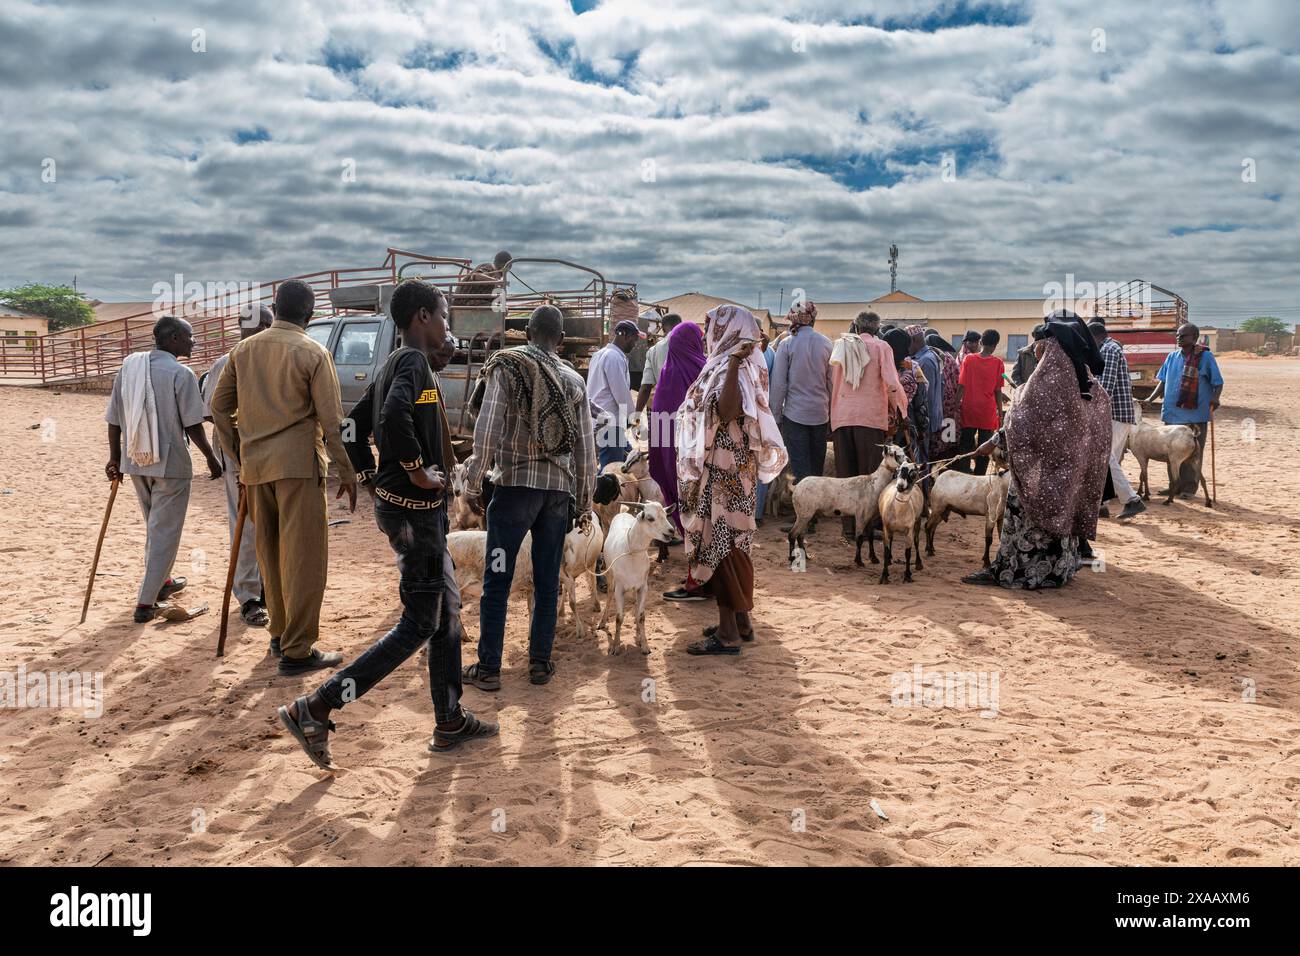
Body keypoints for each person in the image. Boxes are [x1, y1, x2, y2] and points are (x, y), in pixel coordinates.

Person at [276, 280, 496, 769]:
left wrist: (373, 477)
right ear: (422, 316)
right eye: (443, 315)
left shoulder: (394, 362)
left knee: (446, 612)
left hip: (407, 511)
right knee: (419, 622)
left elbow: (353, 424)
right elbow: (393, 414)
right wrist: (416, 470)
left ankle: (449, 718)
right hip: (415, 516)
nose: (447, 325)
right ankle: (317, 706)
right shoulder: (413, 363)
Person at [211, 279, 358, 675]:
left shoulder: (242, 350)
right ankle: (297, 649)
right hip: (298, 467)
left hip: (257, 469)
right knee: (305, 558)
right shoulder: (313, 351)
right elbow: (332, 420)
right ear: (309, 314)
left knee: (271, 553)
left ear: (275, 308)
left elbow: (218, 407)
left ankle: (279, 634)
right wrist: (348, 470)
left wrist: (239, 455)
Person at [462, 305, 596, 690]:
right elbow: (586, 450)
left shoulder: (507, 367)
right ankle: (539, 664)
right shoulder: (573, 380)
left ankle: (488, 669)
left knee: (498, 578)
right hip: (556, 497)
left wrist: (473, 483)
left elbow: (486, 430)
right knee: (546, 579)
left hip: (513, 494)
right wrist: (584, 503)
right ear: (563, 340)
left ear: (527, 333)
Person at [963, 312, 1111, 589]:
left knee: (1025, 519)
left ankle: (1015, 572)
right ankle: (1056, 571)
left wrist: (995, 440)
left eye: (1040, 342)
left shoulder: (1050, 380)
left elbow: (1023, 419)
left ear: (1053, 344)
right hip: (1069, 472)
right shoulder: (1085, 380)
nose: (1035, 347)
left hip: (1041, 472)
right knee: (1060, 515)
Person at [679, 305, 787, 655]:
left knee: (722, 546)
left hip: (725, 474)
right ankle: (742, 623)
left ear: (727, 330)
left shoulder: (734, 367)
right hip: (732, 472)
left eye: (712, 326)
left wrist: (736, 363)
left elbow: (728, 411)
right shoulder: (730, 365)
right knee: (735, 545)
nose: (708, 332)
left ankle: (728, 635)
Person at [104, 315, 223, 622]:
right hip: (169, 464)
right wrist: (210, 457)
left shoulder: (129, 368)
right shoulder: (180, 373)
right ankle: (146, 603)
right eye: (189, 337)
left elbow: (114, 419)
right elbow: (193, 424)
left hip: (135, 460)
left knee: (156, 529)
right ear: (172, 339)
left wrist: (114, 458)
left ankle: (163, 582)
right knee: (164, 532)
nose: (193, 342)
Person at [201, 304, 273, 628]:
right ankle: (249, 597)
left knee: (273, 521)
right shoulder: (227, 362)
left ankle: (270, 587)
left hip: (274, 451)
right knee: (245, 523)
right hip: (239, 453)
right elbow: (213, 412)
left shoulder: (273, 358)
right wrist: (235, 456)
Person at [828, 311, 905, 538]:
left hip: (842, 416)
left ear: (856, 325)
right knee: (870, 476)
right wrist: (902, 409)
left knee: (846, 475)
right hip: (869, 419)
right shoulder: (882, 347)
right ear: (877, 327)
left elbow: (834, 381)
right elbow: (892, 383)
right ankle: (867, 528)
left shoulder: (840, 345)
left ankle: (848, 528)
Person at [1147, 323, 1222, 501]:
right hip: (1172, 414)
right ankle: (1175, 485)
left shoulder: (1205, 357)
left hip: (1195, 415)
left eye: (1183, 336)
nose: (1179, 338)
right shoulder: (1172, 357)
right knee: (1170, 452)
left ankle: (1189, 487)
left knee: (1192, 453)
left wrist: (1215, 397)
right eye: (1178, 335)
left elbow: (1218, 382)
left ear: (1194, 338)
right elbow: (1163, 381)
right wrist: (1150, 399)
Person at [770, 299, 832, 499]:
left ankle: (806, 516)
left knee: (800, 467)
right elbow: (831, 383)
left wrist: (775, 417)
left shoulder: (787, 344)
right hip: (820, 414)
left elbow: (779, 385)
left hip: (794, 415)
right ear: (813, 319)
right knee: (816, 466)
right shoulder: (826, 343)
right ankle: (814, 513)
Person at [1090, 321, 1146, 520]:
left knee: (1105, 459)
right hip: (1115, 414)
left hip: (1115, 414)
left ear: (1094, 336)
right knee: (1105, 461)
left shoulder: (1108, 350)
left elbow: (1105, 388)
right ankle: (1101, 505)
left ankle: (1132, 500)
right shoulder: (1110, 348)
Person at [588, 319, 641, 467]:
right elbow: (621, 393)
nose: (635, 345)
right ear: (625, 336)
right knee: (611, 470)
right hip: (610, 423)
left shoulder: (599, 354)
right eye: (634, 340)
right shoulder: (614, 357)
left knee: (629, 461)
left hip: (600, 419)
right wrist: (633, 418)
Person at [957, 329, 1005, 475]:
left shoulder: (968, 359)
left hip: (969, 409)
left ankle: (964, 473)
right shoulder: (998, 363)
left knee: (965, 445)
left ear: (981, 342)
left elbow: (961, 386)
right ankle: (979, 477)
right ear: (995, 346)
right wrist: (1000, 413)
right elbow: (998, 391)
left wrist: (954, 406)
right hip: (987, 412)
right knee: (985, 447)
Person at [884, 327, 928, 465]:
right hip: (908, 426)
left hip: (883, 428)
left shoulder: (880, 367)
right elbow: (921, 401)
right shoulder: (913, 367)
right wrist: (923, 428)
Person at [908, 325, 945, 466]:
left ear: (914, 340)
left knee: (921, 459)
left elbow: (926, 396)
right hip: (927, 417)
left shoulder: (925, 361)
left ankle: (922, 486)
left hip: (924, 419)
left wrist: (921, 423)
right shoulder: (928, 356)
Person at [635, 312, 680, 419]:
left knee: (657, 436)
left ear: (663, 329)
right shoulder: (693, 347)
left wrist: (636, 416)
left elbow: (646, 387)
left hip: (658, 408)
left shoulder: (653, 350)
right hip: (684, 408)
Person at [925, 332, 963, 458]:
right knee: (948, 438)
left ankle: (936, 461)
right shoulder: (949, 358)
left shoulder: (928, 357)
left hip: (936, 403)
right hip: (950, 404)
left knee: (935, 438)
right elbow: (958, 379)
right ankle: (948, 462)